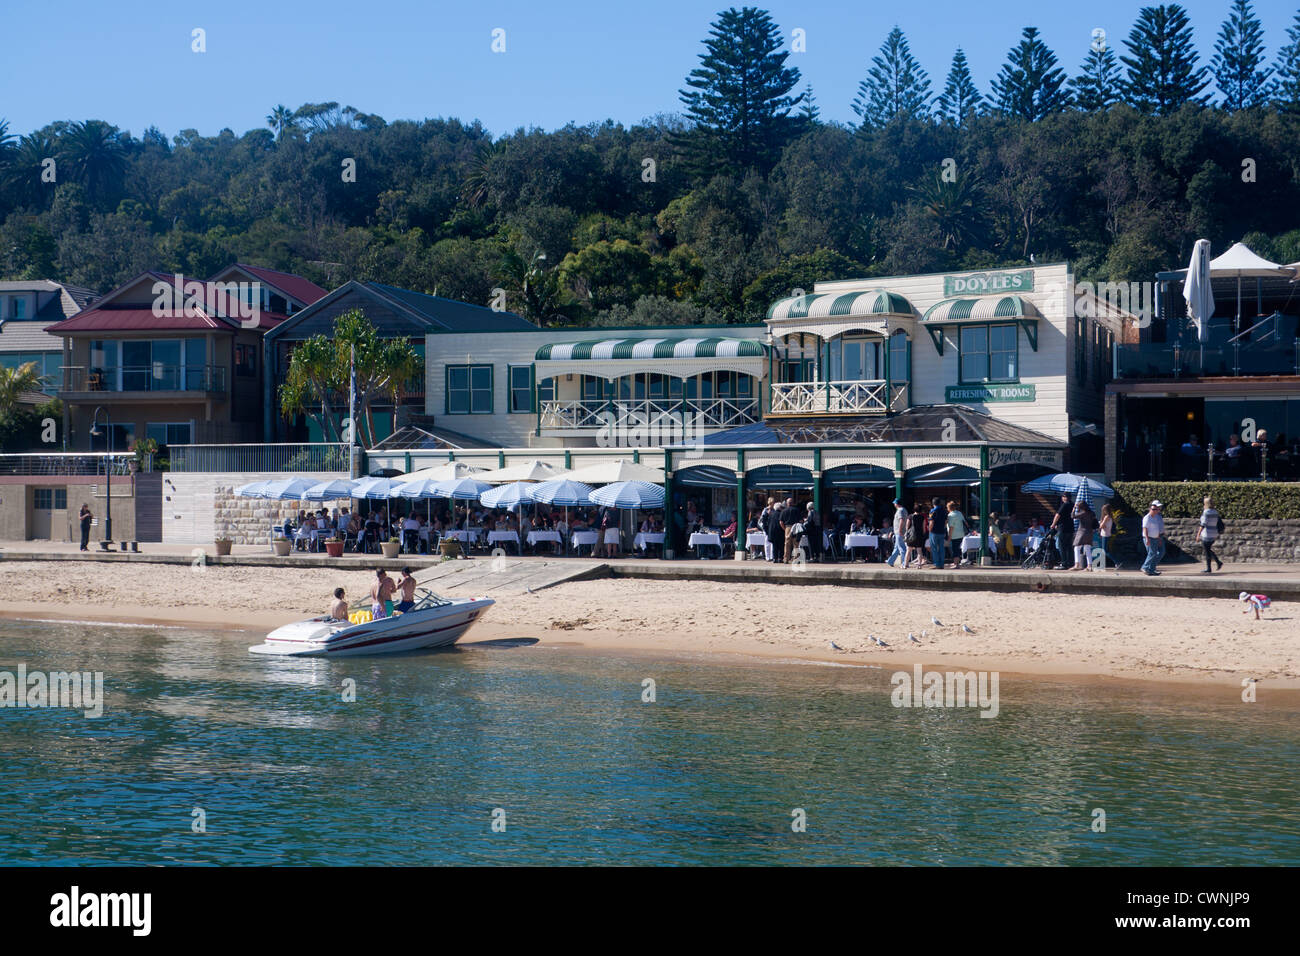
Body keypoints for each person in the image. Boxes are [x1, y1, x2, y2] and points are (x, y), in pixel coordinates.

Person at [1199, 495, 1223, 574]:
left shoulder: (1206, 512)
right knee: (1208, 549)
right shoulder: (1215, 512)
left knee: (1207, 551)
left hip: (1207, 533)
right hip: (1214, 533)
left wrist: (1198, 534)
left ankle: (1209, 568)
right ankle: (1217, 562)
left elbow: (1203, 524)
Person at [1050, 493, 1074, 571]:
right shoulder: (1072, 504)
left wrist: (1053, 524)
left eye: (1064, 496)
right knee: (1069, 547)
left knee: (1062, 546)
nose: (1063, 498)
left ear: (1064, 498)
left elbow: (1057, 515)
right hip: (1071, 528)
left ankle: (1064, 563)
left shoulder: (1064, 505)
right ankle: (1070, 563)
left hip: (1063, 528)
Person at [1141, 500, 1166, 576]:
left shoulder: (1156, 517)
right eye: (1153, 509)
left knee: (1154, 553)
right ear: (1150, 509)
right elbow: (1145, 528)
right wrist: (1147, 539)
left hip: (1155, 538)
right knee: (1152, 553)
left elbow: (1157, 528)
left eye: (1157, 509)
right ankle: (1145, 567)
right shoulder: (1147, 517)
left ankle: (1151, 569)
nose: (1156, 510)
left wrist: (1159, 538)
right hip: (1149, 538)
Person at [1072, 502, 1097, 571]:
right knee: (1087, 549)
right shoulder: (1092, 513)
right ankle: (1090, 566)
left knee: (1076, 548)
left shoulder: (1083, 513)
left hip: (1082, 532)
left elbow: (1073, 516)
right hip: (1090, 532)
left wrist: (1074, 509)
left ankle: (1077, 564)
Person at [927, 497, 947, 570]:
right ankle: (941, 564)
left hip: (934, 532)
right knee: (941, 548)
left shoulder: (932, 511)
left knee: (934, 548)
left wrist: (929, 530)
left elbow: (931, 522)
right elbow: (945, 522)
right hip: (942, 531)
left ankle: (936, 564)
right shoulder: (944, 511)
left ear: (933, 503)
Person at [946, 500, 968, 567]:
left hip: (954, 535)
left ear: (949, 508)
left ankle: (956, 564)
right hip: (961, 534)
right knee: (958, 549)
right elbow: (965, 523)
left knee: (954, 549)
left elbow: (951, 527)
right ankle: (956, 562)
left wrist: (949, 537)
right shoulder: (959, 513)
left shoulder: (950, 515)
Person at [1098, 503, 1119, 570]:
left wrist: (1101, 523)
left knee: (1105, 551)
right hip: (1107, 534)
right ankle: (1102, 564)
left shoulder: (1106, 517)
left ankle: (1116, 562)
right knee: (1104, 550)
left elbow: (1101, 526)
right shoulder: (1111, 517)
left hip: (1105, 535)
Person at [780, 497, 801, 563]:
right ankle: (796, 559)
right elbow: (801, 520)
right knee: (796, 543)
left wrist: (784, 529)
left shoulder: (784, 511)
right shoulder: (796, 510)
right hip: (795, 527)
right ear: (793, 503)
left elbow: (781, 522)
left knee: (787, 544)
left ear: (787, 503)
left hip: (787, 527)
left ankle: (786, 558)